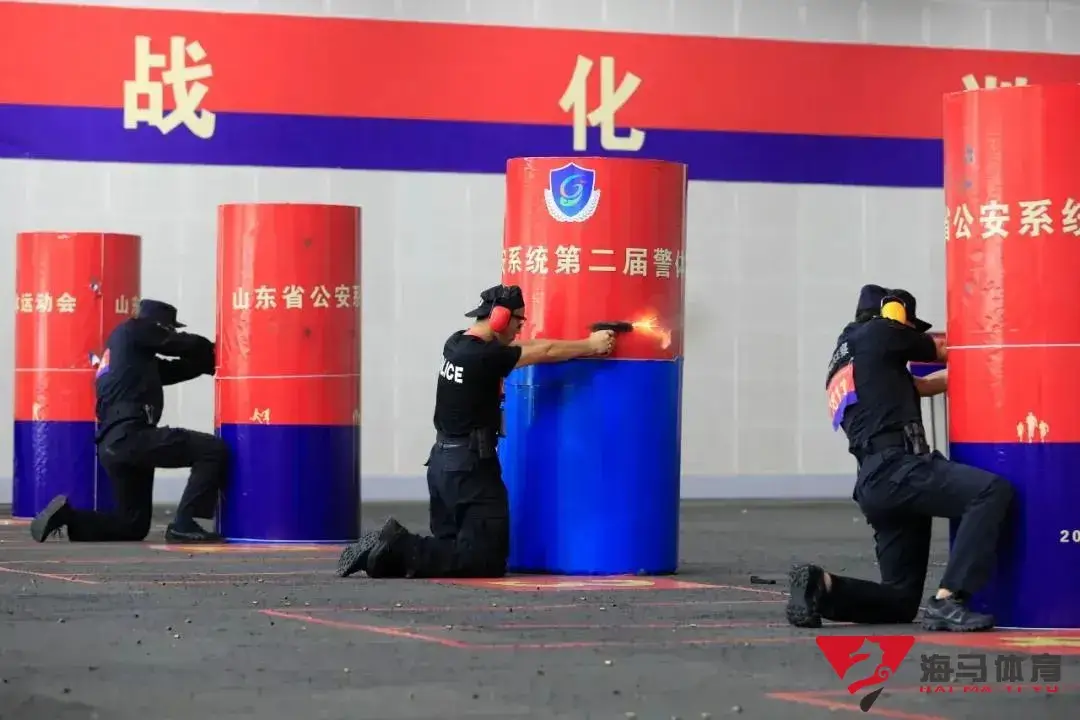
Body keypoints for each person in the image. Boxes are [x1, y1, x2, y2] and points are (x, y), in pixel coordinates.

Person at [336, 284, 617, 579]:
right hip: (469, 469)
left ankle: (382, 557)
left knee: (452, 549)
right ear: (500, 317)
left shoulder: (457, 343)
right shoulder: (484, 357)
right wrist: (591, 345)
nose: (520, 329)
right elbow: (543, 351)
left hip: (442, 465)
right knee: (486, 560)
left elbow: (529, 347)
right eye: (518, 321)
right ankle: (396, 544)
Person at [785, 284, 1013, 632]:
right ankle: (949, 599)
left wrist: (979, 375)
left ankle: (822, 587)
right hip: (900, 467)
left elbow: (924, 386)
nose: (909, 333)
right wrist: (1006, 342)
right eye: (907, 325)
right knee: (989, 491)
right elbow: (948, 350)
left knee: (900, 600)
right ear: (892, 313)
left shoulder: (849, 358)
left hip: (875, 480)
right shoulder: (880, 332)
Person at [29, 299, 228, 544]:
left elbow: (179, 369)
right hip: (132, 436)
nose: (171, 333)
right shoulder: (132, 329)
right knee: (211, 449)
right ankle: (186, 523)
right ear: (157, 325)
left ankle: (70, 518)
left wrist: (211, 363)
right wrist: (221, 348)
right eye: (169, 328)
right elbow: (183, 344)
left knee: (132, 525)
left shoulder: (129, 356)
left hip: (113, 445)